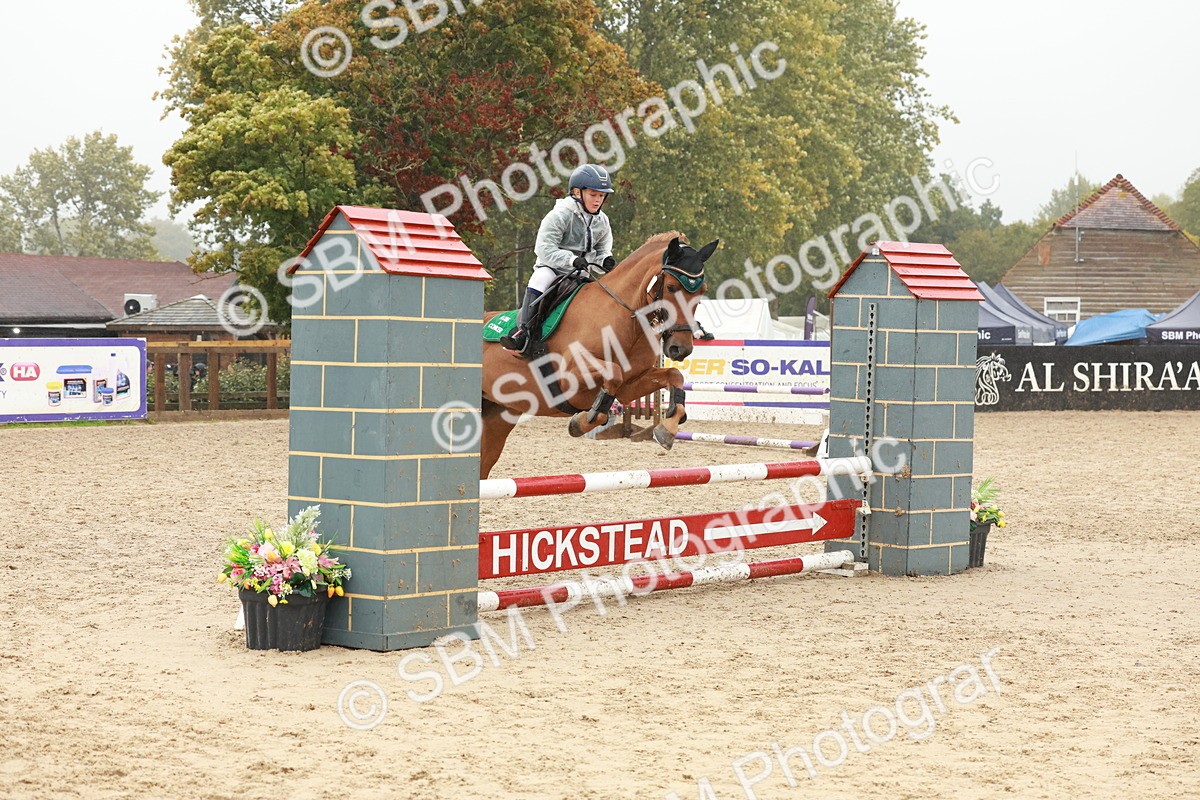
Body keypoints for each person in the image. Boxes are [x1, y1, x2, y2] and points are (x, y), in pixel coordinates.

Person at [500, 163, 618, 354]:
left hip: (581, 273)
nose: (598, 200)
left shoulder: (602, 221)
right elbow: (544, 248)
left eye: (601, 196)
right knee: (540, 280)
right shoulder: (560, 215)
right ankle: (523, 333)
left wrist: (606, 260)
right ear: (577, 193)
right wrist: (571, 260)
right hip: (552, 269)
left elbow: (603, 249)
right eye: (593, 195)